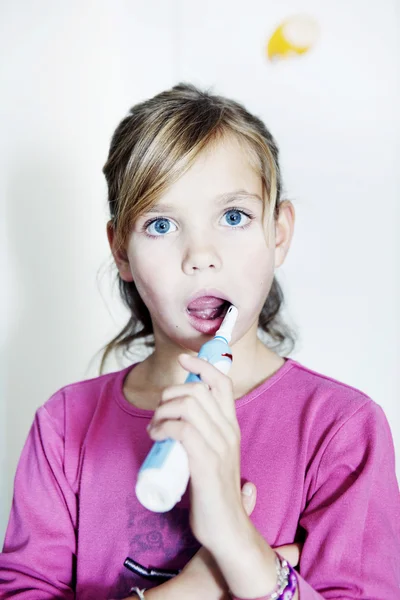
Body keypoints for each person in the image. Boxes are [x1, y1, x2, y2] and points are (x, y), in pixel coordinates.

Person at [1, 83, 399, 600]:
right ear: (121, 250)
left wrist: (236, 539)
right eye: (161, 224)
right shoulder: (63, 427)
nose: (201, 255)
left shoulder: (342, 430)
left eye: (234, 217)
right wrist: (199, 584)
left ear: (277, 234)